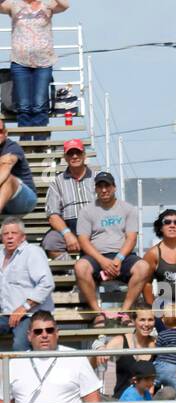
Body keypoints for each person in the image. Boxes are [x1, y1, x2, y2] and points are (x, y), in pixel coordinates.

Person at [0, 310, 103, 403]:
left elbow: (93, 401)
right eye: (38, 331)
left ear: (57, 333)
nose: (44, 335)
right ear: (29, 335)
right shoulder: (13, 364)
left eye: (49, 330)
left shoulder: (76, 359)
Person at [73, 171, 151, 324]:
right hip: (96, 257)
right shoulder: (86, 211)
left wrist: (118, 259)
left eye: (107, 186)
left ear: (114, 187)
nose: (104, 190)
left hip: (122, 256)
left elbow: (131, 238)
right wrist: (102, 261)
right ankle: (97, 313)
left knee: (143, 267)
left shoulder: (128, 209)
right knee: (80, 267)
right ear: (95, 189)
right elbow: (83, 240)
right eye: (100, 186)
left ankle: (125, 312)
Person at [1, 1, 68, 135]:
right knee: (24, 106)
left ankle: (40, 144)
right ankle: (26, 144)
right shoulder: (14, 4)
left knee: (40, 104)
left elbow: (65, 5)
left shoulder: (47, 5)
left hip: (44, 62)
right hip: (20, 62)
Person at [1, 214, 55, 350]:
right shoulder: (0, 254)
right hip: (5, 314)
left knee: (20, 345)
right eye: (5, 233)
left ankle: (21, 371)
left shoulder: (33, 252)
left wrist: (23, 308)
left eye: (14, 233)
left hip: (31, 314)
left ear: (23, 236)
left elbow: (47, 283)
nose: (9, 236)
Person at [42, 138, 95, 257]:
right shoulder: (57, 182)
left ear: (84, 155)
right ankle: (71, 271)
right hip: (70, 226)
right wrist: (67, 234)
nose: (75, 156)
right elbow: (53, 215)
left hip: (95, 226)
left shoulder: (97, 178)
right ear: (65, 157)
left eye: (78, 152)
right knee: (51, 242)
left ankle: (92, 270)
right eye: (70, 153)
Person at [0, 119, 38, 215]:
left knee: (8, 178)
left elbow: (6, 166)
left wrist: (4, 161)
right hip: (4, 199)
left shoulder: (12, 147)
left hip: (24, 199)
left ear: (5, 133)